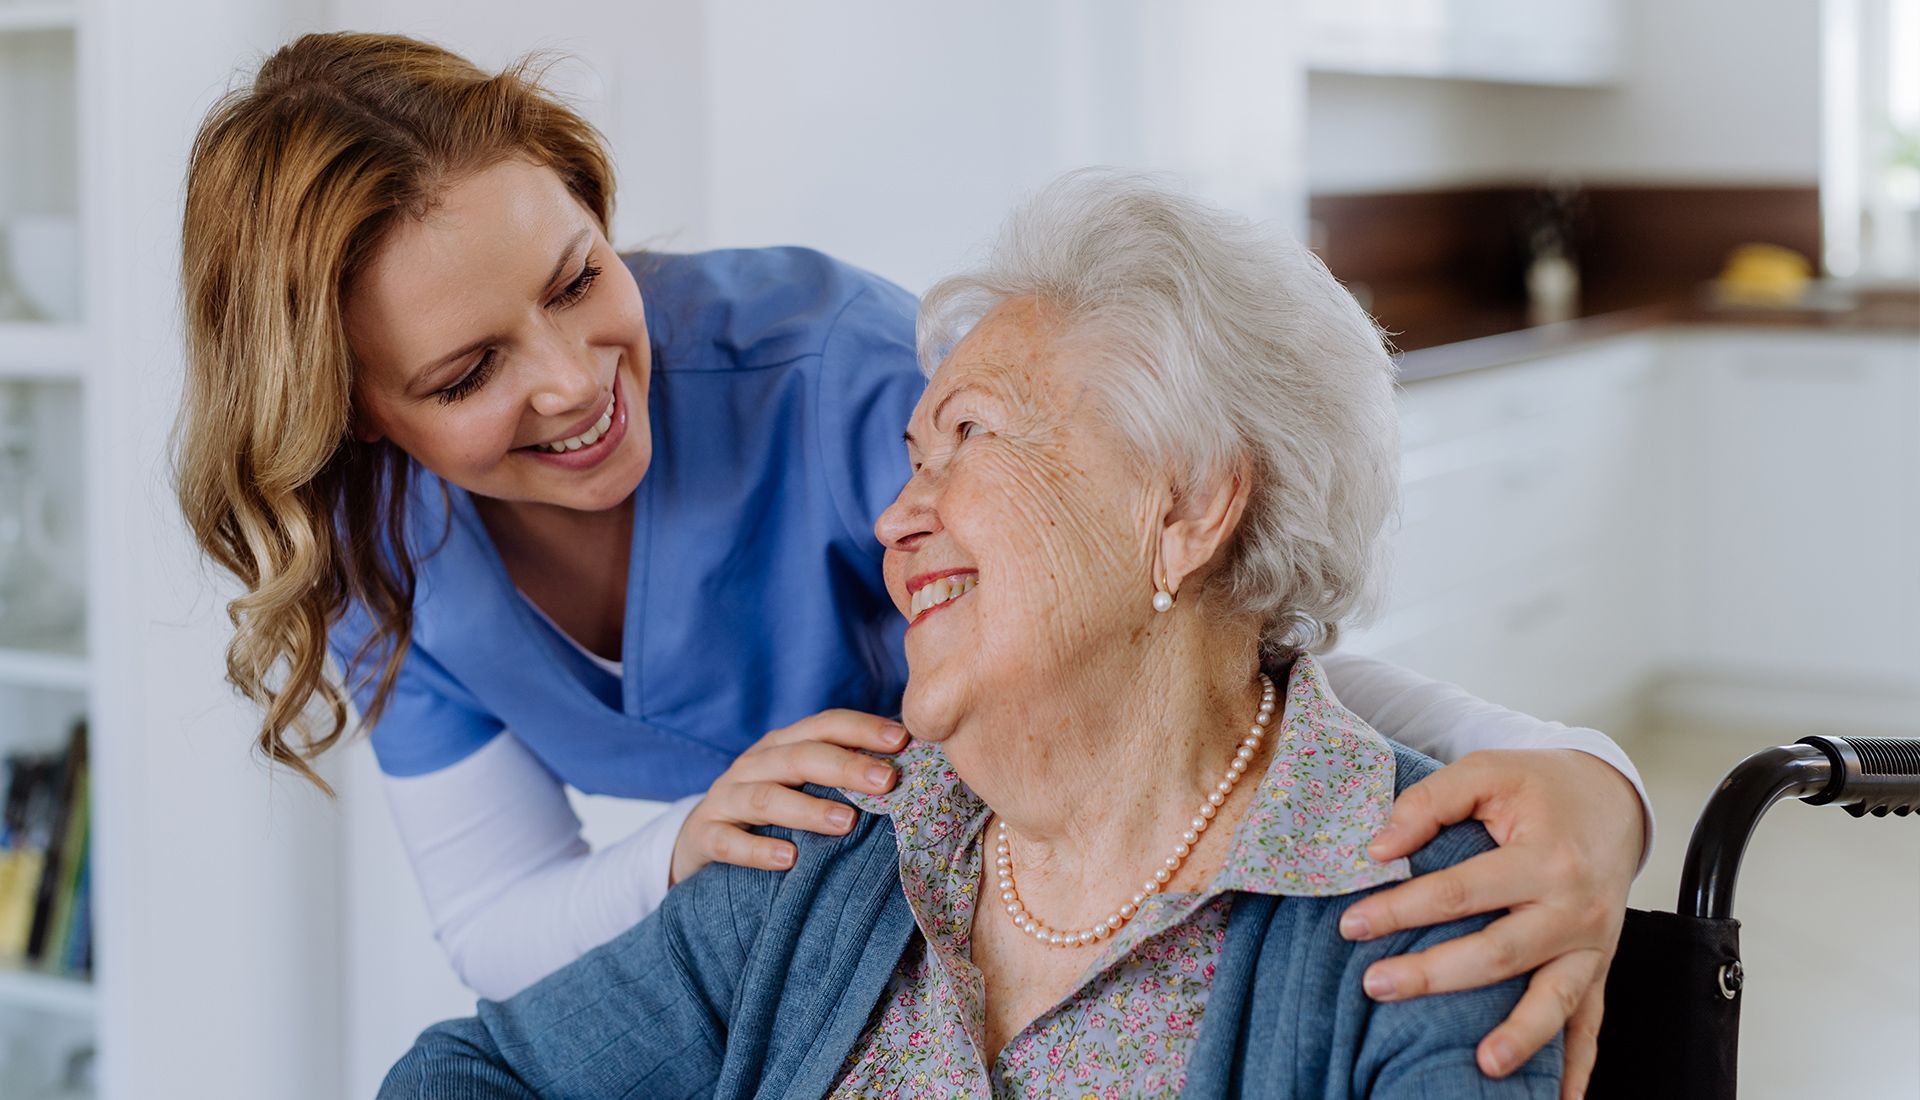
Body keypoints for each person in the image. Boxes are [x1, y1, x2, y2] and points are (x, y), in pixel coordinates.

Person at [175, 32, 1646, 1093]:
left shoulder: (835, 378)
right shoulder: (769, 880)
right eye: (467, 370)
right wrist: (688, 854)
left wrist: (1573, 770)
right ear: (356, 416)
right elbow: (493, 973)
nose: (570, 381)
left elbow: (1203, 632)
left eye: (579, 281)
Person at [381, 172, 1564, 1098]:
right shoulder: (842, 848)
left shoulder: (1423, 909)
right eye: (907, 456)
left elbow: (1264, 681)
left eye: (969, 436)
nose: (892, 518)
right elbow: (460, 1073)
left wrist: (1591, 775)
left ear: (1188, 504)